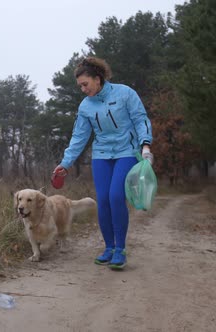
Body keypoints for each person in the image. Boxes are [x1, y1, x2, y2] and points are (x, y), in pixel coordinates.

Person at [53, 56, 153, 270]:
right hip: (101, 155)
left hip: (126, 151)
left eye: (85, 84)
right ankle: (109, 247)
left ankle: (120, 249)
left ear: (98, 79)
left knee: (117, 196)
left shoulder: (125, 93)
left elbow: (140, 118)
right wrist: (66, 163)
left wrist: (145, 144)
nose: (82, 89)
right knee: (104, 200)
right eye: (80, 86)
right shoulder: (85, 106)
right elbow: (79, 137)